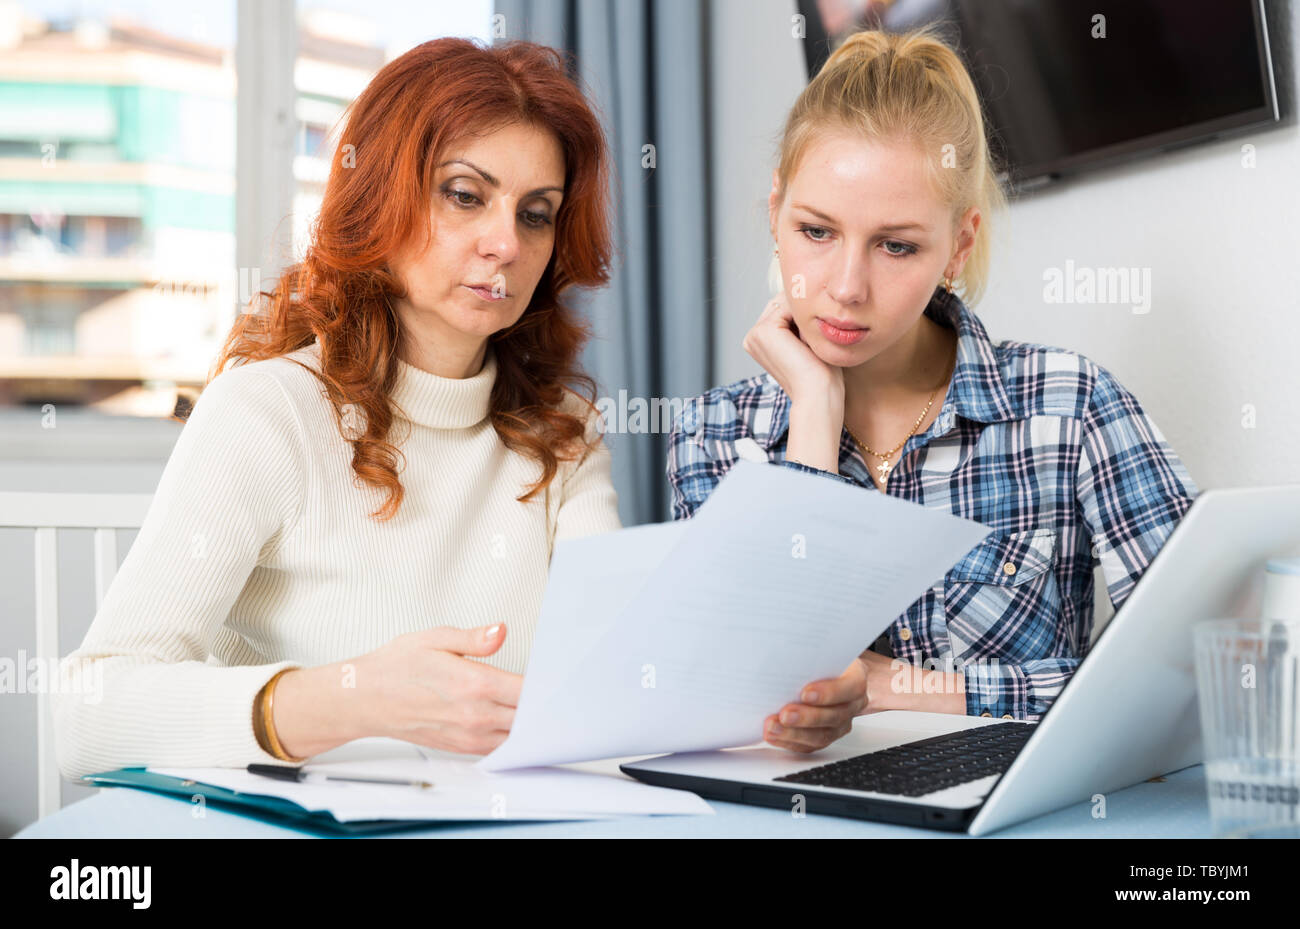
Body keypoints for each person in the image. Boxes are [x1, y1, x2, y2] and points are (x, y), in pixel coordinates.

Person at [53, 38, 621, 779]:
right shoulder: (269, 412)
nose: (506, 243)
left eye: (537, 213)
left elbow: (612, 678)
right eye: (465, 194)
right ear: (380, 195)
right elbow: (87, 715)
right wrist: (354, 699)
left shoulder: (564, 434)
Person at [666, 26, 1198, 753]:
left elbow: (1194, 670)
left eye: (896, 246)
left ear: (959, 245)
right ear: (775, 213)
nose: (847, 288)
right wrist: (814, 419)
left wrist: (903, 688)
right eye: (817, 232)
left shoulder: (1069, 407)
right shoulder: (712, 436)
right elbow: (730, 702)